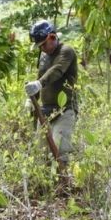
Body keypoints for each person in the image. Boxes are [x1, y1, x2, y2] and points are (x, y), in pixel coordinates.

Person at [24, 20, 78, 172]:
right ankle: (47, 190)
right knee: (41, 154)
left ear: (53, 37)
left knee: (60, 150)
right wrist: (32, 97)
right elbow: (40, 76)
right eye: (39, 46)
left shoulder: (66, 51)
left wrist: (39, 84)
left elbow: (57, 70)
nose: (42, 48)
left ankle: (64, 187)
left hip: (65, 110)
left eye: (43, 44)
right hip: (46, 111)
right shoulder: (43, 56)